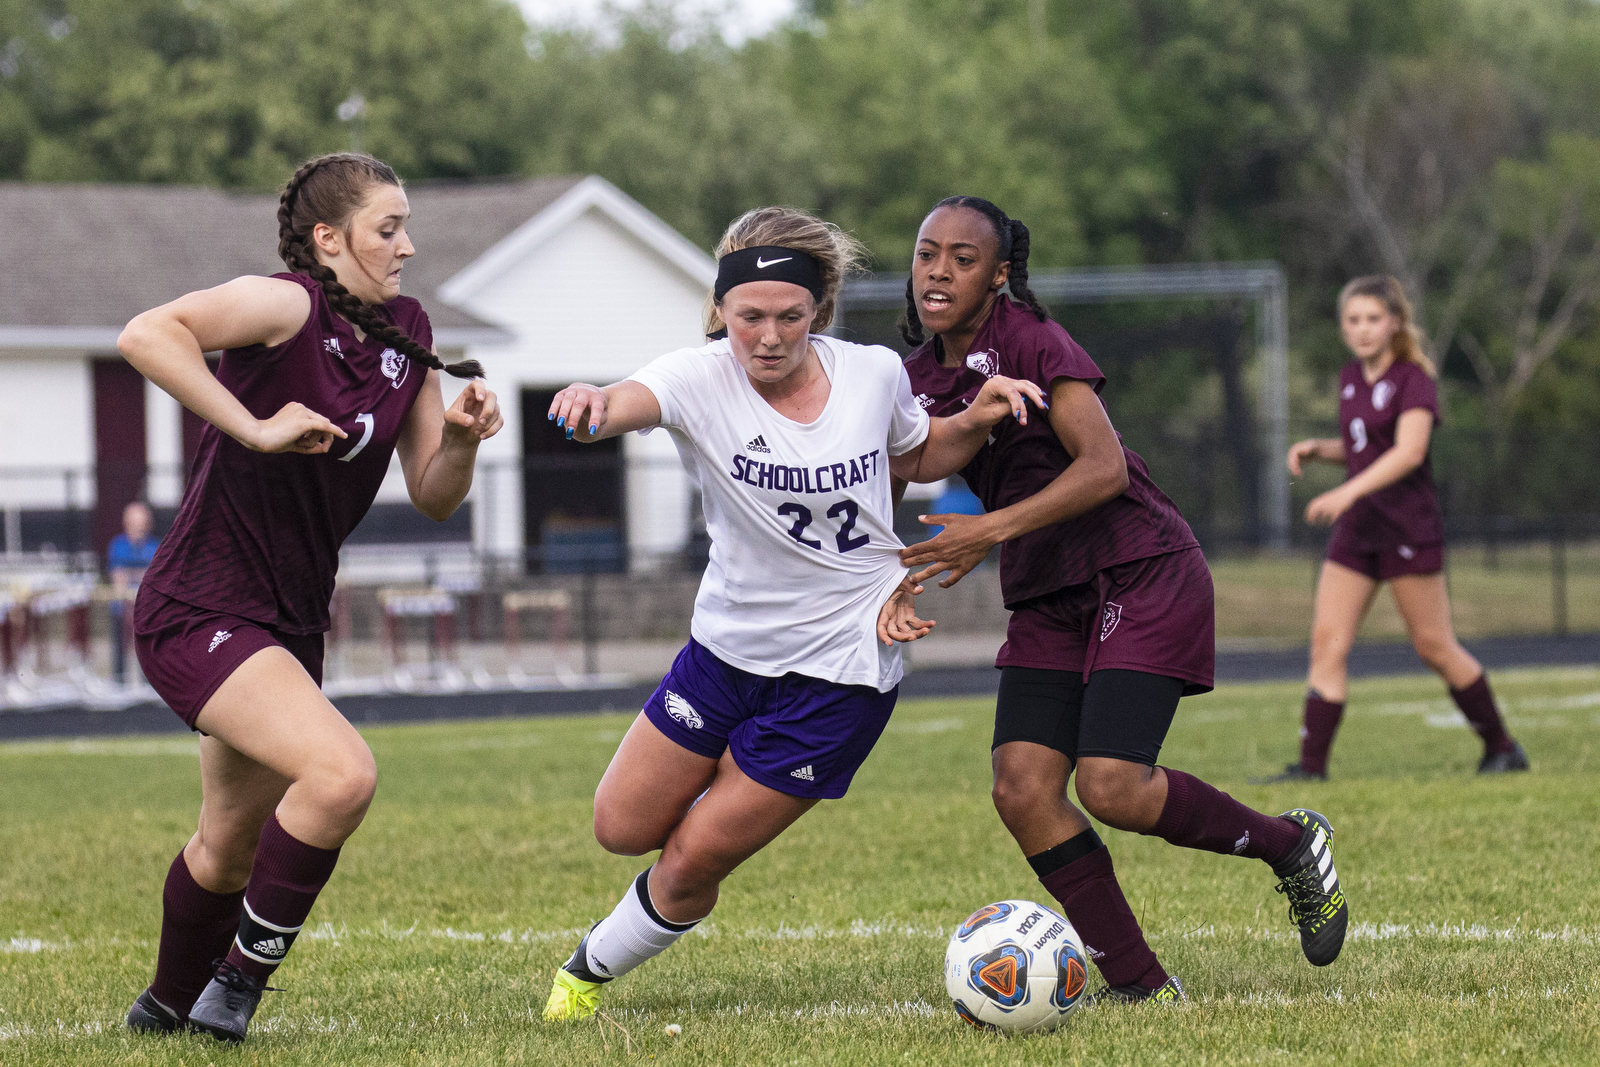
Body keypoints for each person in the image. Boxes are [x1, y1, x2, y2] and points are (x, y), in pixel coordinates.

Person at [539, 206, 1044, 1021]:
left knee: (693, 856)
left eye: (789, 317)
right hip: (726, 652)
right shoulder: (698, 376)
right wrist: (592, 399)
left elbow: (915, 453)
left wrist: (976, 420)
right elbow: (629, 397)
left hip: (840, 672)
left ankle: (583, 975)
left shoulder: (876, 372)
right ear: (720, 312)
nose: (768, 336)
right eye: (748, 318)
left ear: (820, 312)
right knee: (618, 824)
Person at [895, 196, 1350, 1002]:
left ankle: (1289, 845)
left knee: (1112, 786)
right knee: (1022, 789)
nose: (939, 270)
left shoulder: (1033, 341)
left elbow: (1103, 467)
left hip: (1139, 564)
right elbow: (894, 468)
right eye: (928, 252)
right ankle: (1142, 984)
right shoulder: (912, 377)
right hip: (1047, 588)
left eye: (964, 258)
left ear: (999, 275)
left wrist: (988, 527)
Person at [116, 152, 502, 1043]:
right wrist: (254, 426)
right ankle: (234, 992)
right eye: (388, 228)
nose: (408, 244)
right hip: (201, 602)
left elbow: (436, 493)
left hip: (289, 616)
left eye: (406, 225)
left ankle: (163, 1010)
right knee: (341, 775)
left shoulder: (408, 331)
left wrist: (467, 439)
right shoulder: (290, 303)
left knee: (227, 847)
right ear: (329, 240)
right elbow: (146, 332)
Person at [1256, 275, 1527, 782]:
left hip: (1407, 527)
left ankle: (1502, 747)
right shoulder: (1351, 379)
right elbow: (1364, 447)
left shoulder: (1413, 379)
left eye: (1373, 318)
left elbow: (1409, 451)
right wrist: (1321, 449)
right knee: (1328, 643)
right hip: (1359, 532)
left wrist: (1346, 491)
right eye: (1353, 320)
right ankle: (1310, 769)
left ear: (1395, 323)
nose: (1362, 329)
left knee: (1433, 646)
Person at [107, 500, 160, 684]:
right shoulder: (117, 545)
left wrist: (131, 574)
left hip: (147, 607)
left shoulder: (156, 546)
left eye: (141, 524)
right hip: (123, 606)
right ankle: (119, 679)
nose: (138, 528)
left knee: (150, 645)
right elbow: (117, 576)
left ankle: (150, 681)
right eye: (133, 523)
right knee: (120, 642)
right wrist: (140, 574)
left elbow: (155, 577)